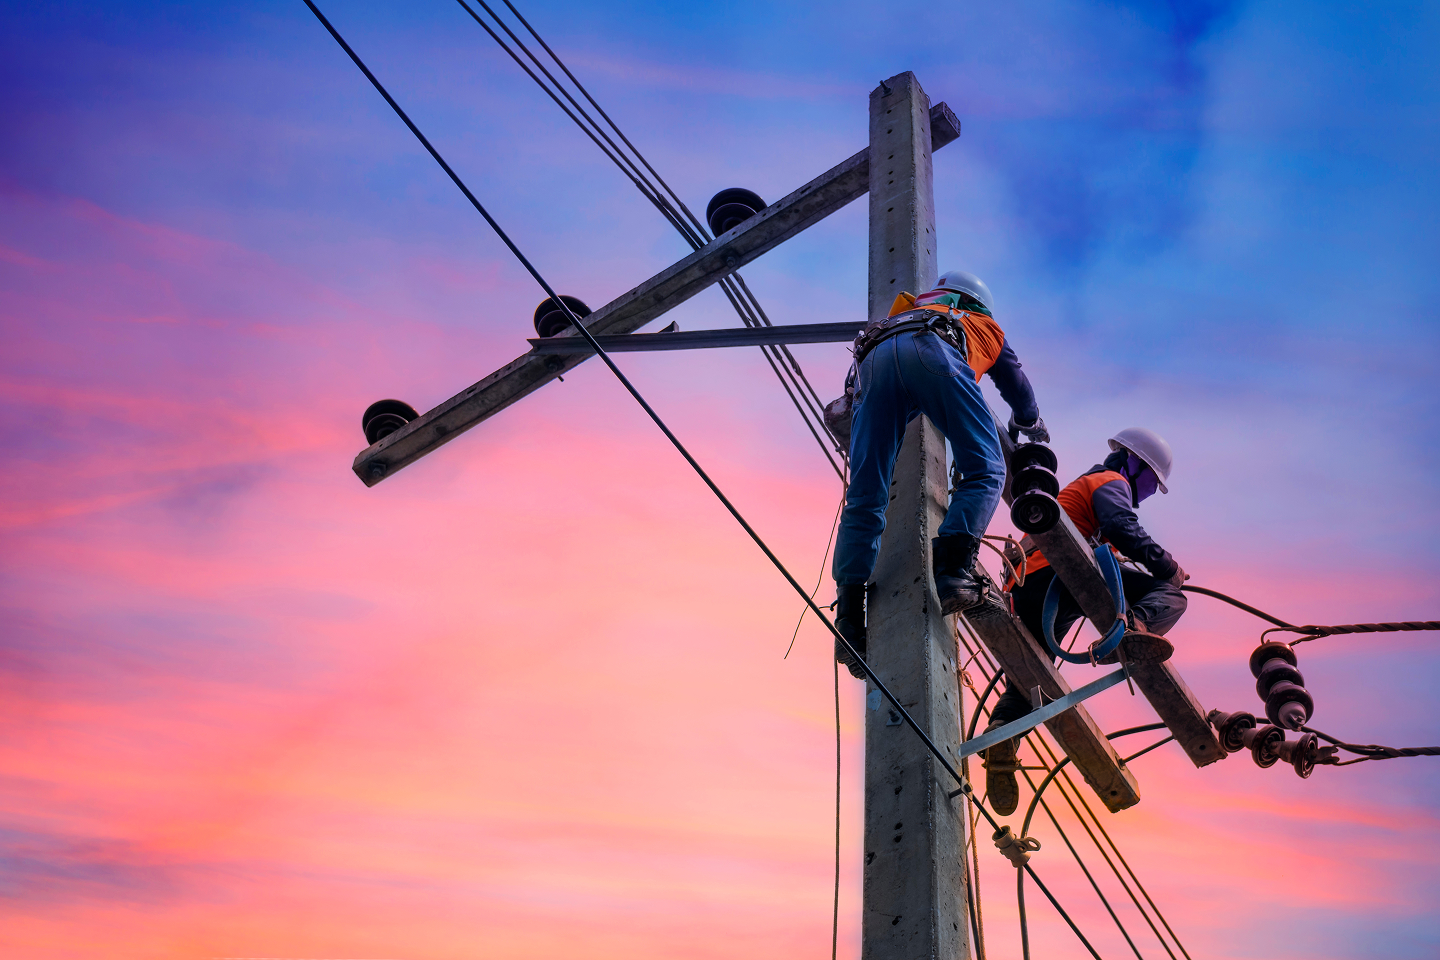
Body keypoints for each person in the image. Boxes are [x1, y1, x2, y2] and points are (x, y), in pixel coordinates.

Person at [830, 269, 1047, 679]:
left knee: (864, 496)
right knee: (986, 468)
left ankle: (848, 617)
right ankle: (953, 573)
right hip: (933, 349)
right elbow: (1015, 383)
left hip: (874, 360)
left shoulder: (909, 309)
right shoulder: (982, 323)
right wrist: (1031, 422)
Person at [982, 427, 1188, 814]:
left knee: (1032, 679)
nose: (1146, 493)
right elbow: (1120, 526)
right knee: (1172, 596)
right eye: (1150, 482)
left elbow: (1107, 537)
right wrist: (1167, 566)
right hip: (1057, 573)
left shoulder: (1083, 494)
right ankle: (1133, 631)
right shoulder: (1110, 481)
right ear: (1134, 464)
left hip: (1026, 584)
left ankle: (1003, 737)